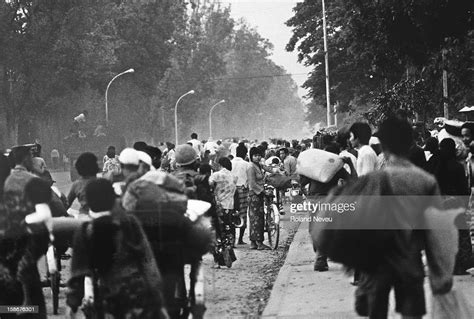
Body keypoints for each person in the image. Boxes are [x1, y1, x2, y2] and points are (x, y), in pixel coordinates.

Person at [353, 116, 453, 319]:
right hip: (410, 258)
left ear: (385, 145)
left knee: (376, 311)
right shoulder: (425, 181)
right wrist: (440, 270)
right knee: (412, 313)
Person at [67, 179, 168, 318]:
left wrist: (72, 304)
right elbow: (148, 262)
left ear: (88, 202)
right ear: (113, 199)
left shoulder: (85, 230)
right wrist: (157, 298)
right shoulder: (130, 223)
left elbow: (78, 275)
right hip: (139, 296)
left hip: (108, 300)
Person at [302, 144, 357, 272]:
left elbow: (302, 182)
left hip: (314, 199)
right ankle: (321, 257)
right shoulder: (337, 168)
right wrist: (350, 165)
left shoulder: (317, 165)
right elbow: (354, 180)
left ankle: (320, 258)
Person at [433, 138, 473, 275]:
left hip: (442, 204)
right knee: (459, 236)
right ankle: (459, 266)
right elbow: (463, 188)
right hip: (456, 203)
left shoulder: (438, 166)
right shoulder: (457, 166)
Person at [247, 147, 271, 250]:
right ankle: (259, 243)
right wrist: (263, 191)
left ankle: (253, 242)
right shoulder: (251, 167)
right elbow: (252, 183)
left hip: (258, 194)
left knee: (254, 218)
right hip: (255, 195)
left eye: (258, 155)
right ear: (251, 156)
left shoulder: (258, 166)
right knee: (257, 219)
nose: (257, 157)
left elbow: (268, 170)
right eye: (255, 155)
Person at [231, 144, 251, 245]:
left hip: (231, 190)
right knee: (243, 213)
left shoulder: (230, 162)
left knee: (232, 212)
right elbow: (249, 179)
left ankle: (233, 239)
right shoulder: (246, 164)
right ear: (245, 153)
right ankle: (240, 239)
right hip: (242, 190)